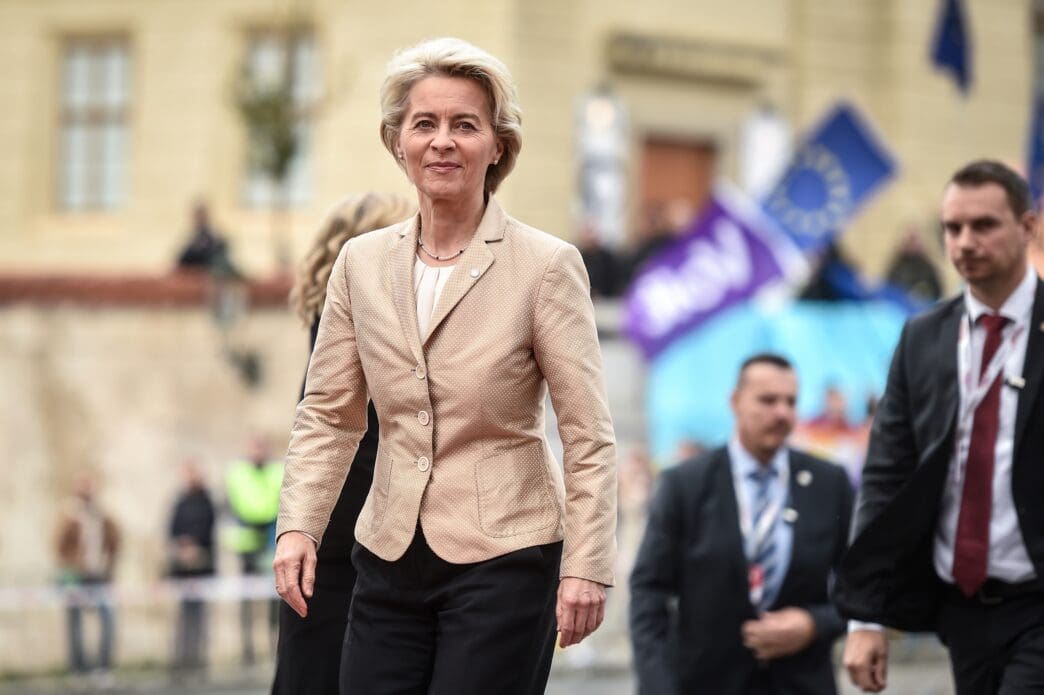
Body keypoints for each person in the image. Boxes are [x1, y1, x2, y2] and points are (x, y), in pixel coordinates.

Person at [272, 37, 617, 695]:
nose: (442, 141)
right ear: (397, 142)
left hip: (507, 556)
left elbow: (588, 435)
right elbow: (327, 416)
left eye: (465, 124)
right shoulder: (360, 264)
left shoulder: (546, 266)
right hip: (387, 554)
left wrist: (588, 565)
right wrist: (299, 526)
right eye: (424, 123)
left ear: (498, 146)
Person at [837, 160, 1044, 695]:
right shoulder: (925, 337)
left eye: (984, 225)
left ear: (1027, 227)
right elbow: (886, 473)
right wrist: (865, 618)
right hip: (961, 608)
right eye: (952, 228)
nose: (965, 242)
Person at [630, 353, 853, 695]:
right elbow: (649, 593)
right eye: (767, 400)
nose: (781, 412)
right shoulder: (685, 485)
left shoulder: (829, 484)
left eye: (790, 401)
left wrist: (814, 623)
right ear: (735, 402)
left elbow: (859, 586)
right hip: (706, 682)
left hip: (801, 683)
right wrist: (658, 686)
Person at [271, 192, 415, 695]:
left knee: (306, 664)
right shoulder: (366, 312)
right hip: (355, 526)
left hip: (324, 521)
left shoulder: (321, 322)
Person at [55, 472, 120, 683]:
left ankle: (102, 667)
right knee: (74, 624)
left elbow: (114, 541)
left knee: (108, 620)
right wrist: (71, 566)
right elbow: (59, 545)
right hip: (77, 576)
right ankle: (78, 669)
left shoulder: (102, 515)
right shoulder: (69, 514)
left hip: (99, 576)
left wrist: (109, 567)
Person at [225, 435, 283, 665]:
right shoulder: (237, 472)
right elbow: (240, 504)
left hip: (270, 542)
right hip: (247, 544)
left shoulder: (277, 471)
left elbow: (275, 503)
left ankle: (273, 648)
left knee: (275, 600)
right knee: (246, 602)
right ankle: (247, 652)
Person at [167, 459, 216, 681]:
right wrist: (181, 548)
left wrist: (195, 547)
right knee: (182, 619)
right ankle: (181, 662)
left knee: (200, 619)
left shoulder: (207, 501)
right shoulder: (180, 501)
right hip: (182, 571)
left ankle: (198, 663)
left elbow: (208, 530)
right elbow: (172, 529)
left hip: (202, 569)